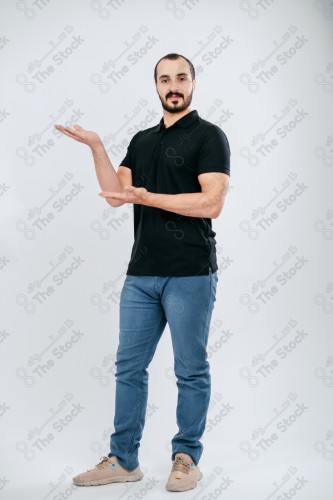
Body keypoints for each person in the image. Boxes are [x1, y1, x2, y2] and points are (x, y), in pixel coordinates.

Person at [54, 52, 231, 493]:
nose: (173, 85)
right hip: (141, 274)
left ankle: (186, 457)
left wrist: (148, 198)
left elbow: (212, 203)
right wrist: (97, 147)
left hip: (190, 272)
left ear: (193, 83)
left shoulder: (210, 136)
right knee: (129, 368)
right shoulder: (142, 140)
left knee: (191, 369)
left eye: (181, 78)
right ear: (155, 86)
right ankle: (123, 459)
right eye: (165, 79)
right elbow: (116, 195)